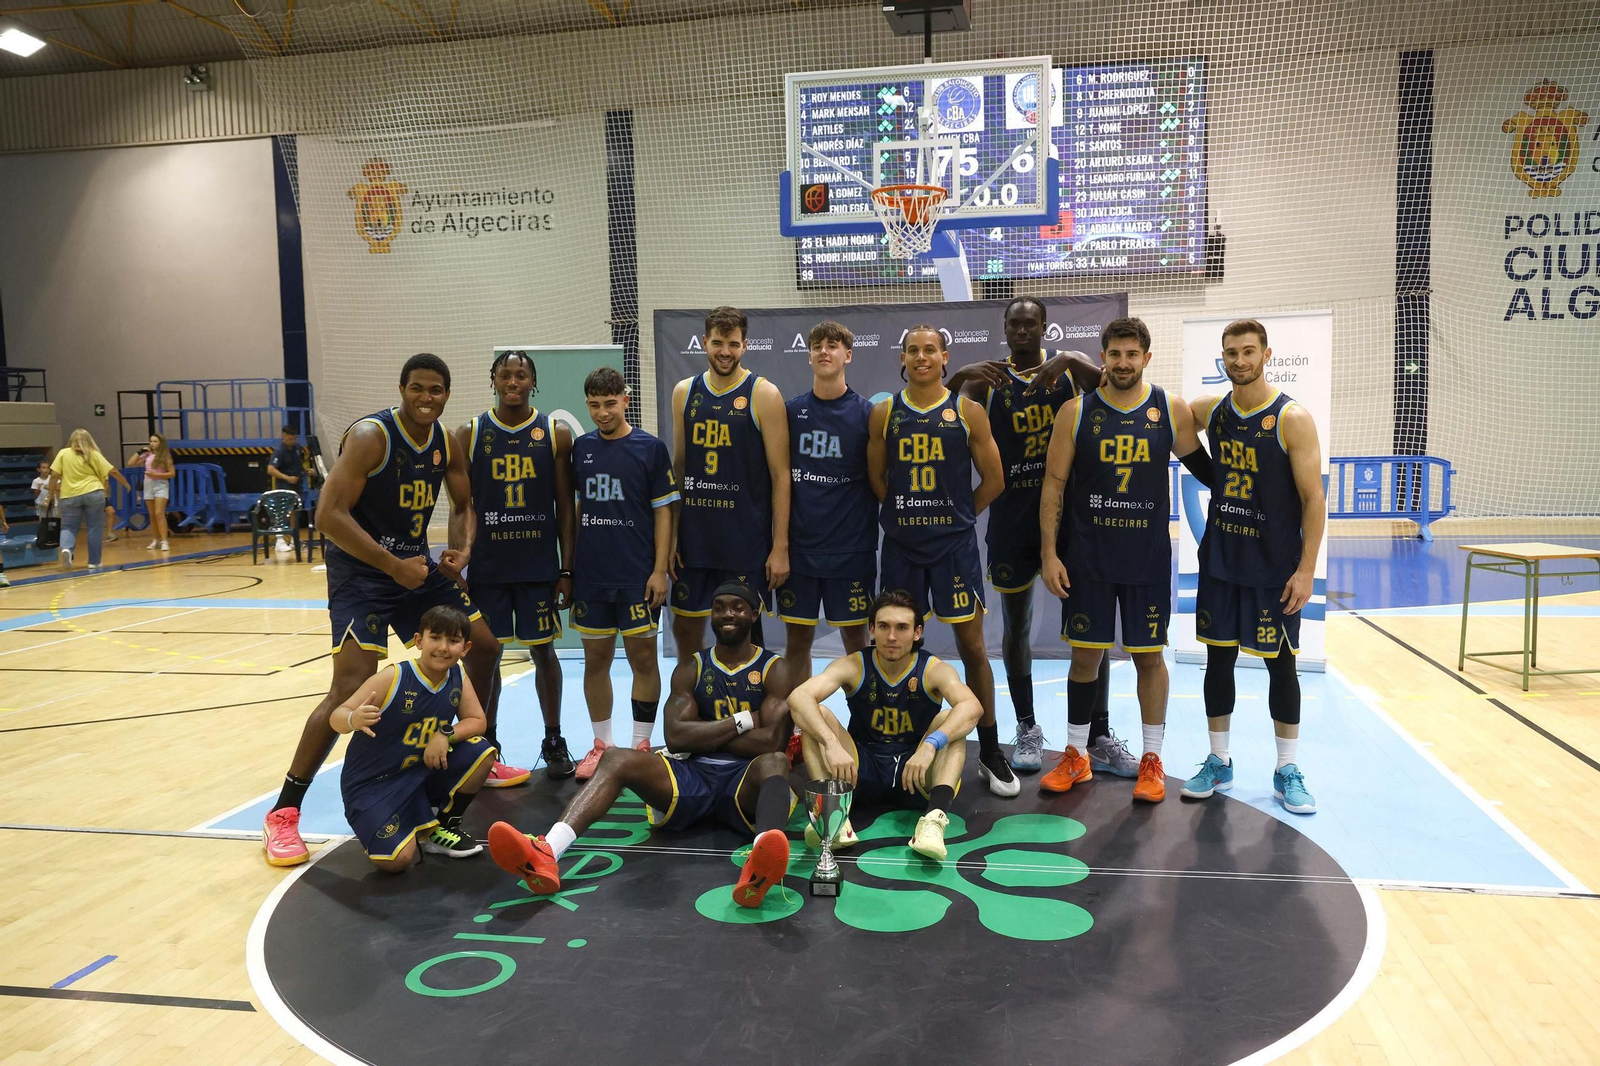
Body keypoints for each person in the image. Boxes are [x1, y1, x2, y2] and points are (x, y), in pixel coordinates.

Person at [262, 353, 505, 868]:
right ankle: (284, 811)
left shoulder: (446, 442)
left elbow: (464, 505)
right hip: (363, 572)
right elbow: (328, 514)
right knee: (347, 689)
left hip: (413, 567)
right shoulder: (372, 437)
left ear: (446, 393)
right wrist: (391, 565)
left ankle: (476, 746)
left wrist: (460, 549)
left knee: (484, 645)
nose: (426, 398)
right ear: (402, 389)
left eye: (436, 390)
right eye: (417, 388)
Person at [488, 583, 797, 909]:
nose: (727, 614)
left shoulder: (775, 670)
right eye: (719, 607)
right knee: (618, 757)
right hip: (691, 777)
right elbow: (676, 736)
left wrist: (704, 734)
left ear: (754, 613)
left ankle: (760, 865)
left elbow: (772, 741)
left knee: (775, 761)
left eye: (737, 607)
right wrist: (745, 720)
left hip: (743, 782)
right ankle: (548, 851)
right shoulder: (692, 668)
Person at [946, 296, 1124, 775]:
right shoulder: (988, 381)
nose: (1022, 331)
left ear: (1045, 326)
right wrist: (961, 373)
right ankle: (1026, 726)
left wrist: (1072, 357)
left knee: (1091, 632)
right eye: (1014, 324)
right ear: (1004, 328)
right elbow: (935, 407)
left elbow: (1107, 385)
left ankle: (1099, 731)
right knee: (1016, 625)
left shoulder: (1068, 372)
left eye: (1030, 323)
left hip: (1071, 517)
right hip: (1012, 517)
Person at [1039, 317, 1211, 803]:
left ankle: (1152, 760)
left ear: (1146, 358)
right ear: (1104, 358)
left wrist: (1260, 488)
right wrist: (1050, 553)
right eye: (1114, 354)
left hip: (1147, 559)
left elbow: (1206, 469)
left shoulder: (1168, 408)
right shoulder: (1076, 412)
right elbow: (1053, 485)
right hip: (1089, 557)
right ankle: (1077, 755)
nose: (1122, 363)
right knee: (1085, 656)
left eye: (1131, 354)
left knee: (1148, 658)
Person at [1179, 319, 1326, 814]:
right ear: (1222, 359)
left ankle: (1287, 769)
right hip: (1223, 560)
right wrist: (1211, 474)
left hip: (1273, 567)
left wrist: (1306, 570)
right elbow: (1178, 419)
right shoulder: (1214, 410)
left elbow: (1313, 500)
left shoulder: (1292, 418)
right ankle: (1219, 760)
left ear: (1266, 355)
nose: (1239, 361)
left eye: (1248, 352)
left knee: (1280, 666)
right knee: (1218, 662)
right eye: (1231, 353)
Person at [869, 325, 1016, 797]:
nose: (921, 357)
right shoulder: (885, 412)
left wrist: (957, 515)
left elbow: (994, 479)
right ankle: (900, 742)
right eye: (912, 350)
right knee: (897, 648)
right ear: (903, 357)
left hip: (953, 549)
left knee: (972, 648)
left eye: (929, 349)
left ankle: (990, 750)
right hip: (902, 547)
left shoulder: (967, 411)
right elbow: (877, 478)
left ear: (945, 356)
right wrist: (902, 515)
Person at [787, 588, 984, 861]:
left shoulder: (933, 669)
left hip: (915, 772)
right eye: (884, 626)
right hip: (859, 770)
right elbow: (799, 697)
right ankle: (833, 817)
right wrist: (830, 743)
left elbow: (973, 708)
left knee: (950, 722)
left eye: (902, 628)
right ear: (871, 629)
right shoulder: (854, 665)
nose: (892, 636)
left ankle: (932, 822)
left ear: (917, 632)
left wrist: (930, 745)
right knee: (816, 716)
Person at [452, 350, 574, 783]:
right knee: (488, 656)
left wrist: (567, 569)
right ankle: (488, 743)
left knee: (544, 652)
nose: (513, 381)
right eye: (505, 374)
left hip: (539, 566)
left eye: (521, 375)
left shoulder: (555, 434)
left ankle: (554, 738)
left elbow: (565, 507)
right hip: (488, 568)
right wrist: (458, 566)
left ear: (533, 381)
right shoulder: (470, 433)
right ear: (493, 380)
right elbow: (460, 505)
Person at [568, 367, 679, 778]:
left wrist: (660, 570)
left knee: (643, 659)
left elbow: (664, 512)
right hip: (592, 576)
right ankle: (601, 745)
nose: (602, 412)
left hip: (637, 575)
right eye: (594, 405)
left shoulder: (650, 448)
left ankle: (641, 746)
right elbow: (580, 506)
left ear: (625, 401)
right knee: (594, 660)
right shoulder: (580, 449)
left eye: (609, 404)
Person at [334, 605, 497, 871]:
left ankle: (441, 829)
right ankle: (397, 824)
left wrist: (445, 734)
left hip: (418, 772)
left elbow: (478, 721)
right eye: (436, 638)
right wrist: (353, 719)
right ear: (419, 640)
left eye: (453, 641)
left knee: (482, 751)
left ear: (465, 648)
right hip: (372, 784)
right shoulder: (393, 676)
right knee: (398, 862)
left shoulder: (457, 674)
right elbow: (337, 716)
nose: (444, 647)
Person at [670, 305, 790, 658]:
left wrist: (779, 546)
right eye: (718, 343)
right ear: (704, 342)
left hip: (744, 540)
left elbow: (781, 475)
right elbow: (680, 467)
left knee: (745, 635)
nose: (725, 351)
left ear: (745, 345)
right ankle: (691, 706)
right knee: (686, 627)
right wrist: (674, 534)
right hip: (695, 539)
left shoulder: (763, 393)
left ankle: (753, 713)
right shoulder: (684, 391)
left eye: (733, 344)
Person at [780, 320, 877, 684]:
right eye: (817, 345)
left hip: (851, 551)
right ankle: (797, 731)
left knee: (857, 642)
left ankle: (863, 728)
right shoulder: (791, 414)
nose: (824, 351)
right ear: (808, 357)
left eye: (833, 345)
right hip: (801, 551)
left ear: (847, 355)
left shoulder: (867, 414)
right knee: (797, 643)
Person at [47, 429, 132, 572]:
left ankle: (67, 549)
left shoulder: (63, 453)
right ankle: (94, 562)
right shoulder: (94, 454)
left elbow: (54, 475)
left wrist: (49, 495)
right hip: (94, 493)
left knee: (68, 527)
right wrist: (125, 484)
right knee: (94, 528)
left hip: (69, 495)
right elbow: (113, 471)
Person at [267, 425, 308, 553]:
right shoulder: (279, 451)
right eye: (289, 438)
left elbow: (298, 464)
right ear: (283, 436)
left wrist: (306, 471)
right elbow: (271, 469)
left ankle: (294, 540)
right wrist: (287, 478)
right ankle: (279, 540)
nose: (292, 441)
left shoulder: (297, 448)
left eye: (294, 438)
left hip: (297, 485)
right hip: (284, 486)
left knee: (295, 513)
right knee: (282, 513)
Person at [133, 434, 175, 552]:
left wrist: (156, 475)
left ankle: (164, 540)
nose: (152, 443)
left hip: (160, 484)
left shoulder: (165, 457)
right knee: (151, 514)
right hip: (148, 484)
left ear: (160, 443)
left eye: (155, 441)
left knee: (159, 513)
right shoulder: (147, 455)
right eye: (151, 441)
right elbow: (131, 463)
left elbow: (172, 473)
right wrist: (139, 452)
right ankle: (155, 539)